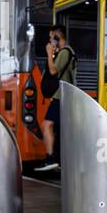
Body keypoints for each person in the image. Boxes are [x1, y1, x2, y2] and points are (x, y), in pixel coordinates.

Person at [37, 24, 75, 172]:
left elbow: (53, 71)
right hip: (61, 96)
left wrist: (48, 53)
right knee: (57, 129)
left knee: (46, 125)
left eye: (52, 37)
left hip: (61, 96)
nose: (50, 40)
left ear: (58, 37)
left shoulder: (65, 52)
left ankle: (51, 158)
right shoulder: (63, 52)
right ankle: (57, 160)